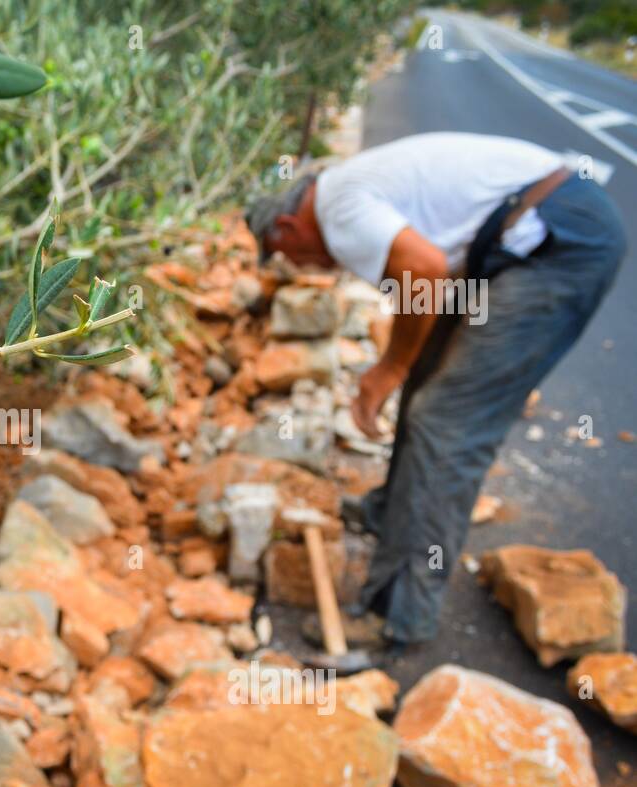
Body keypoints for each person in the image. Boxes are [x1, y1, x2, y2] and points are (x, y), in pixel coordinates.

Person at [245, 132, 626, 650]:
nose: (298, 266)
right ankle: (390, 512)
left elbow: (421, 272)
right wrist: (404, 364)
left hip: (557, 246)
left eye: (282, 254)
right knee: (428, 378)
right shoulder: (342, 192)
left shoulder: (340, 212)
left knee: (446, 421)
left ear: (288, 226)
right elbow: (426, 281)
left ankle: (397, 617)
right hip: (530, 231)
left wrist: (389, 368)